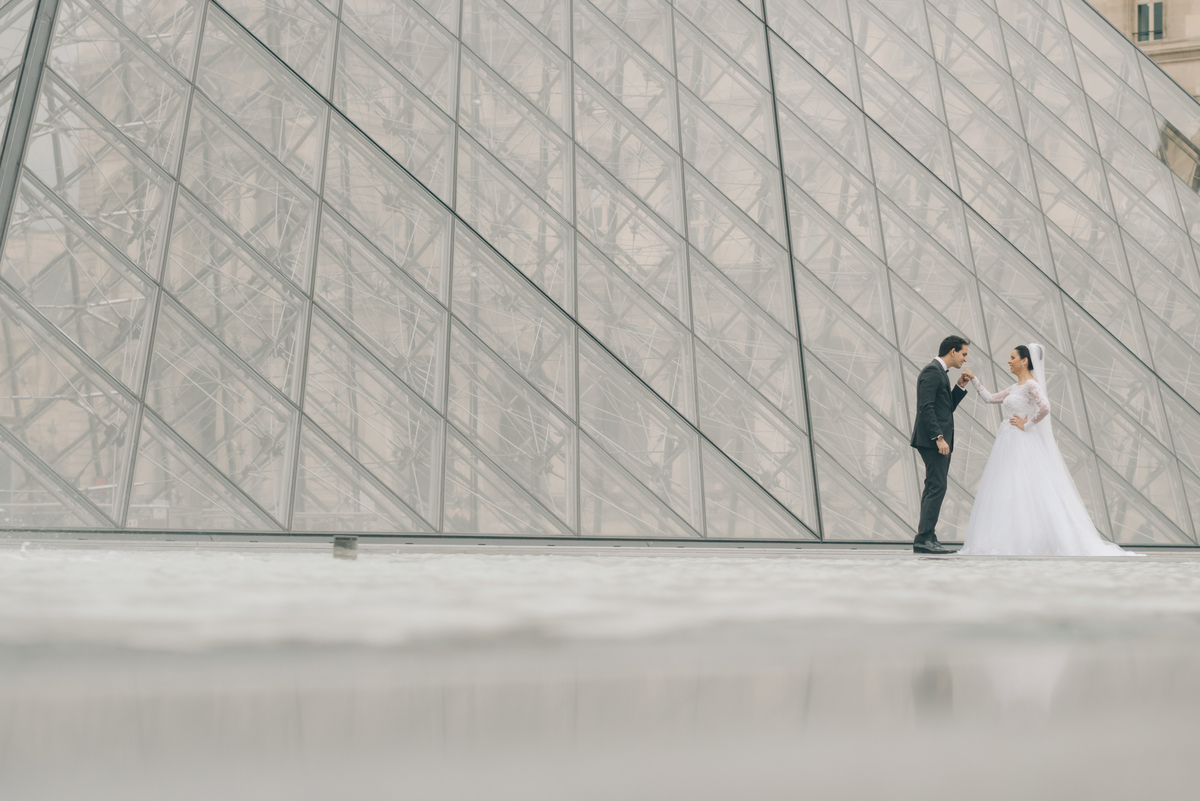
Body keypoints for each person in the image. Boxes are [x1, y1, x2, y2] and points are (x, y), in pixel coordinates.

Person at [959, 344, 1132, 556]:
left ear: (1024, 361)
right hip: (1009, 442)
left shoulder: (1031, 385)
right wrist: (974, 380)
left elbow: (1046, 407)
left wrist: (1027, 425)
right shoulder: (1015, 387)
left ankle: (1025, 541)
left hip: (1021, 442)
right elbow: (989, 398)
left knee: (1022, 488)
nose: (1009, 361)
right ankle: (1013, 539)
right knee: (1009, 488)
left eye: (1012, 357)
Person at [910, 335, 972, 554]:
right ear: (953, 351)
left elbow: (944, 409)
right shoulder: (932, 372)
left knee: (934, 486)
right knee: (937, 486)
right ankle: (924, 537)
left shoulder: (940, 373)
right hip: (933, 441)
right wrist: (939, 438)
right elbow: (925, 408)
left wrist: (959, 387)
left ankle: (928, 535)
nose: (965, 359)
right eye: (964, 354)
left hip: (936, 440)